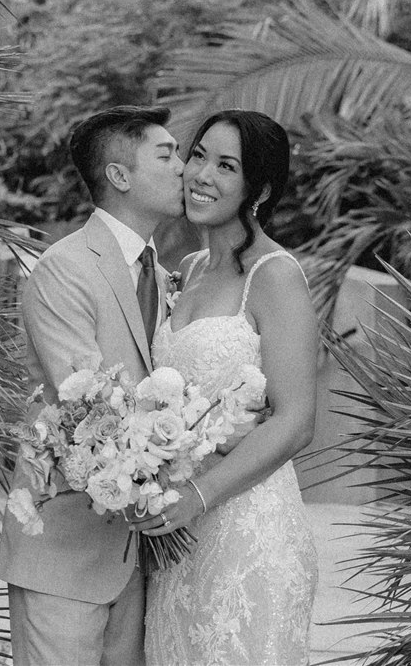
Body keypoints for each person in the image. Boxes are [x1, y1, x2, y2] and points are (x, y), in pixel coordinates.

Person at [0, 105, 188, 666]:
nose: (183, 168)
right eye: (167, 153)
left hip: (134, 555)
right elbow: (88, 407)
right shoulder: (64, 268)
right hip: (63, 549)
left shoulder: (163, 273)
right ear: (120, 175)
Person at [135, 109, 321, 666]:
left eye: (226, 166)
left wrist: (199, 496)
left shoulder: (276, 276)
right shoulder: (183, 271)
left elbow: (295, 421)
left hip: (247, 531)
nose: (202, 175)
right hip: (178, 541)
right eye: (197, 156)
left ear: (257, 189)